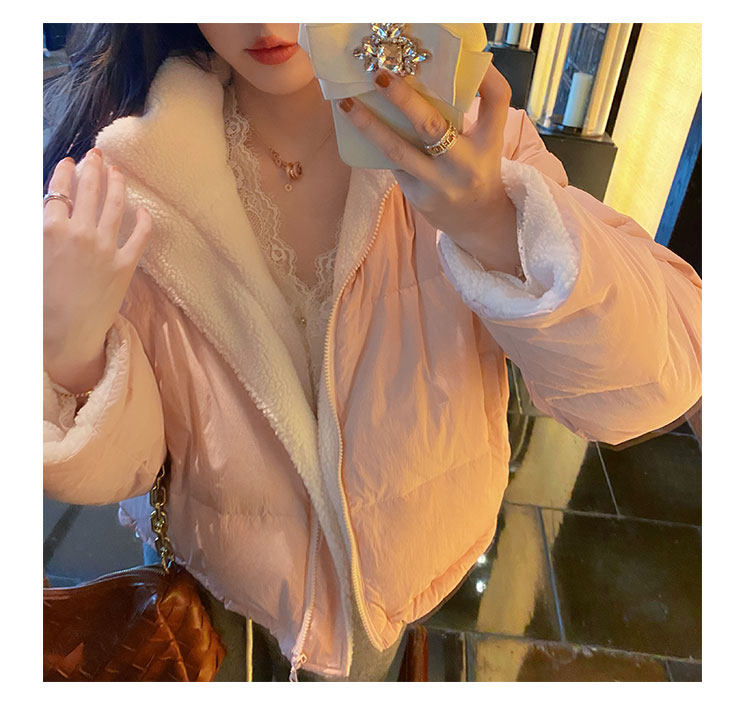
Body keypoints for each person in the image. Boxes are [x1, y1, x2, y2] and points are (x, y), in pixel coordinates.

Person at [42, 23, 702, 682]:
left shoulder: (468, 135)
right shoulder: (129, 172)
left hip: (396, 581)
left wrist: (495, 222)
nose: (266, 22)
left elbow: (657, 378)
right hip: (223, 584)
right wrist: (70, 352)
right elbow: (131, 463)